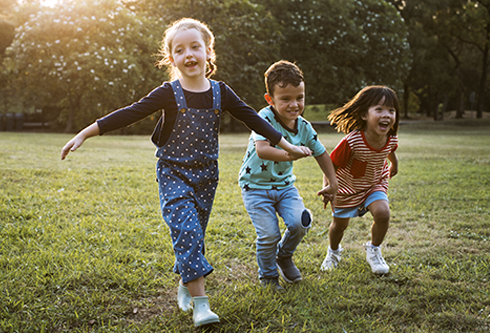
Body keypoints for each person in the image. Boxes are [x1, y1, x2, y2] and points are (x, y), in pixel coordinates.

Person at [60, 18, 311, 327]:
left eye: (195, 47)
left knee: (195, 234)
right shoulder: (169, 92)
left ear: (208, 52)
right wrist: (85, 132)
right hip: (173, 173)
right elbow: (130, 112)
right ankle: (201, 305)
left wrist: (289, 145)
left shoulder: (221, 92)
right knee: (187, 231)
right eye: (180, 50)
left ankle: (184, 283)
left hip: (206, 176)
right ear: (172, 59)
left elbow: (254, 119)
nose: (189, 54)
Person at [238, 60, 338, 290]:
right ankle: (269, 276)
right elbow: (263, 150)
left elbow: (321, 153)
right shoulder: (263, 118)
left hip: (285, 187)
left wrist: (333, 182)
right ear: (270, 99)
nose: (294, 104)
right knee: (269, 235)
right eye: (285, 99)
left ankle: (283, 256)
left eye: (300, 97)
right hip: (255, 188)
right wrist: (291, 154)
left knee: (300, 223)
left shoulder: (303, 126)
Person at [320, 85, 399, 275]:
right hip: (346, 188)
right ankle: (333, 252)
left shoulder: (390, 138)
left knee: (383, 214)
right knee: (339, 226)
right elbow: (331, 164)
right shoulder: (352, 141)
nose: (386, 115)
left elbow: (390, 151)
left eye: (391, 110)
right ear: (364, 115)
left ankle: (374, 250)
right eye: (379, 109)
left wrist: (394, 165)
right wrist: (328, 187)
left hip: (374, 184)